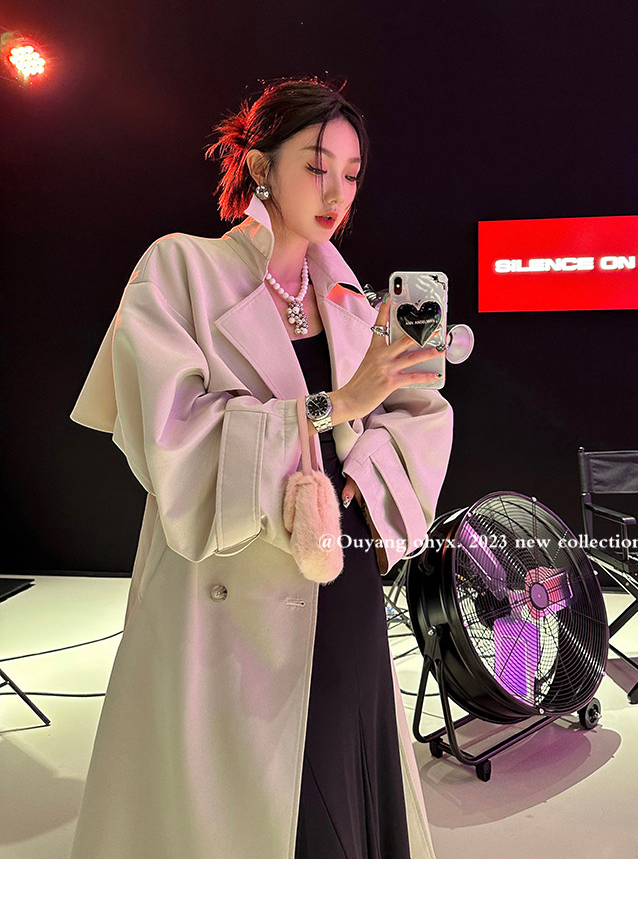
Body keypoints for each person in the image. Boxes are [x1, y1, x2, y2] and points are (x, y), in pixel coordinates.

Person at [68, 77, 454, 859]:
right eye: (316, 166)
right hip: (224, 586)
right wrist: (334, 408)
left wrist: (362, 472)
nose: (336, 191)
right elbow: (172, 437)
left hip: (336, 576)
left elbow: (418, 418)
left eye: (351, 173)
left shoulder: (353, 303)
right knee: (248, 810)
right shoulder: (180, 269)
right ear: (258, 167)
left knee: (338, 769)